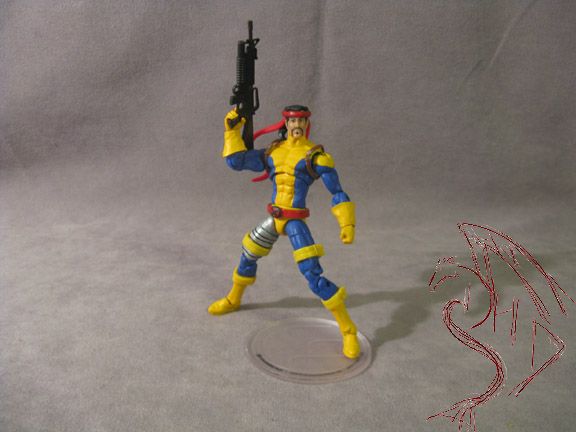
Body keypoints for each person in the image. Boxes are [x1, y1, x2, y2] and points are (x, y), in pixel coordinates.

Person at [208, 105, 360, 359]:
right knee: (248, 255)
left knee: (313, 275)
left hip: (295, 221)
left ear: (307, 123)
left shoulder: (316, 157)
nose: (296, 125)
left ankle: (348, 330)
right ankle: (234, 299)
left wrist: (347, 223)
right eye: (292, 121)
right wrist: (232, 131)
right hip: (274, 217)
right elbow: (236, 161)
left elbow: (337, 191)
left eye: (301, 120)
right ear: (286, 123)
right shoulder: (273, 151)